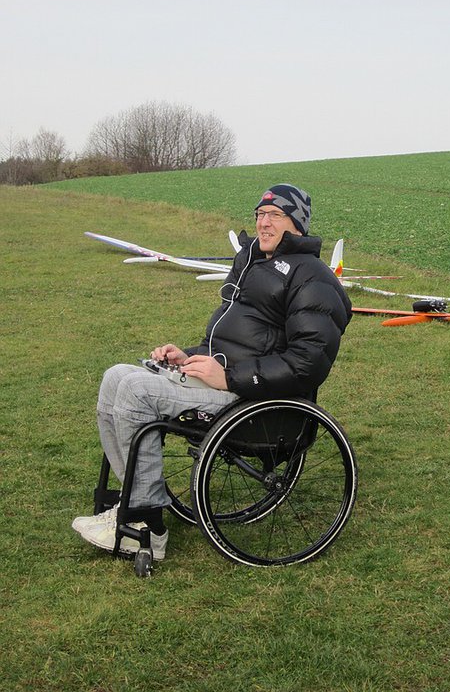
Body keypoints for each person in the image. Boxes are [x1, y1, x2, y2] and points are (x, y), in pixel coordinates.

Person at [72, 183, 353, 561]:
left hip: (254, 397)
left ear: (297, 224)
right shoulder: (254, 261)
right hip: (223, 377)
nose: (263, 223)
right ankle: (133, 501)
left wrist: (229, 378)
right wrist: (186, 356)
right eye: (259, 215)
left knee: (136, 391)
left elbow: (308, 362)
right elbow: (228, 339)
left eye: (275, 216)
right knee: (116, 376)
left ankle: (146, 526)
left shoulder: (314, 278)